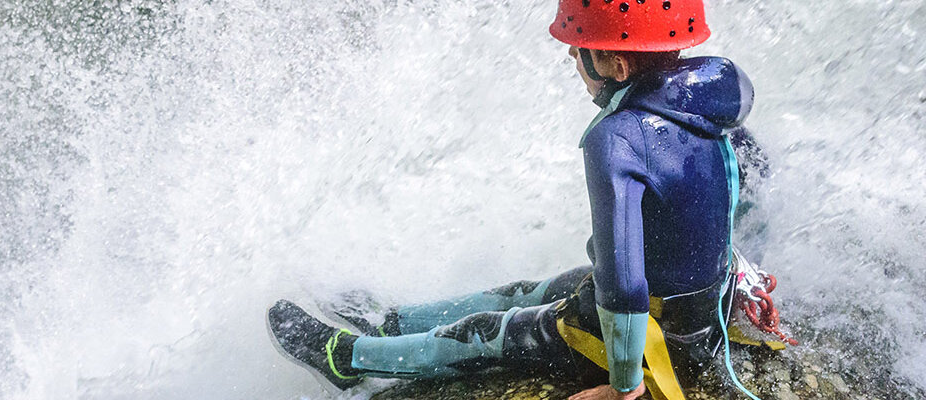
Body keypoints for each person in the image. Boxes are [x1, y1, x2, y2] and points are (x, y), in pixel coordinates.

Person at [267, 1, 784, 399]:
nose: (570, 54)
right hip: (697, 316)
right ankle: (391, 322)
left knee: (490, 333)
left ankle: (349, 359)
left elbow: (624, 286)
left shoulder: (619, 139)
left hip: (657, 341)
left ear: (616, 66)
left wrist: (624, 385)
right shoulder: (712, 98)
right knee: (530, 290)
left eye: (580, 48)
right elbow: (742, 195)